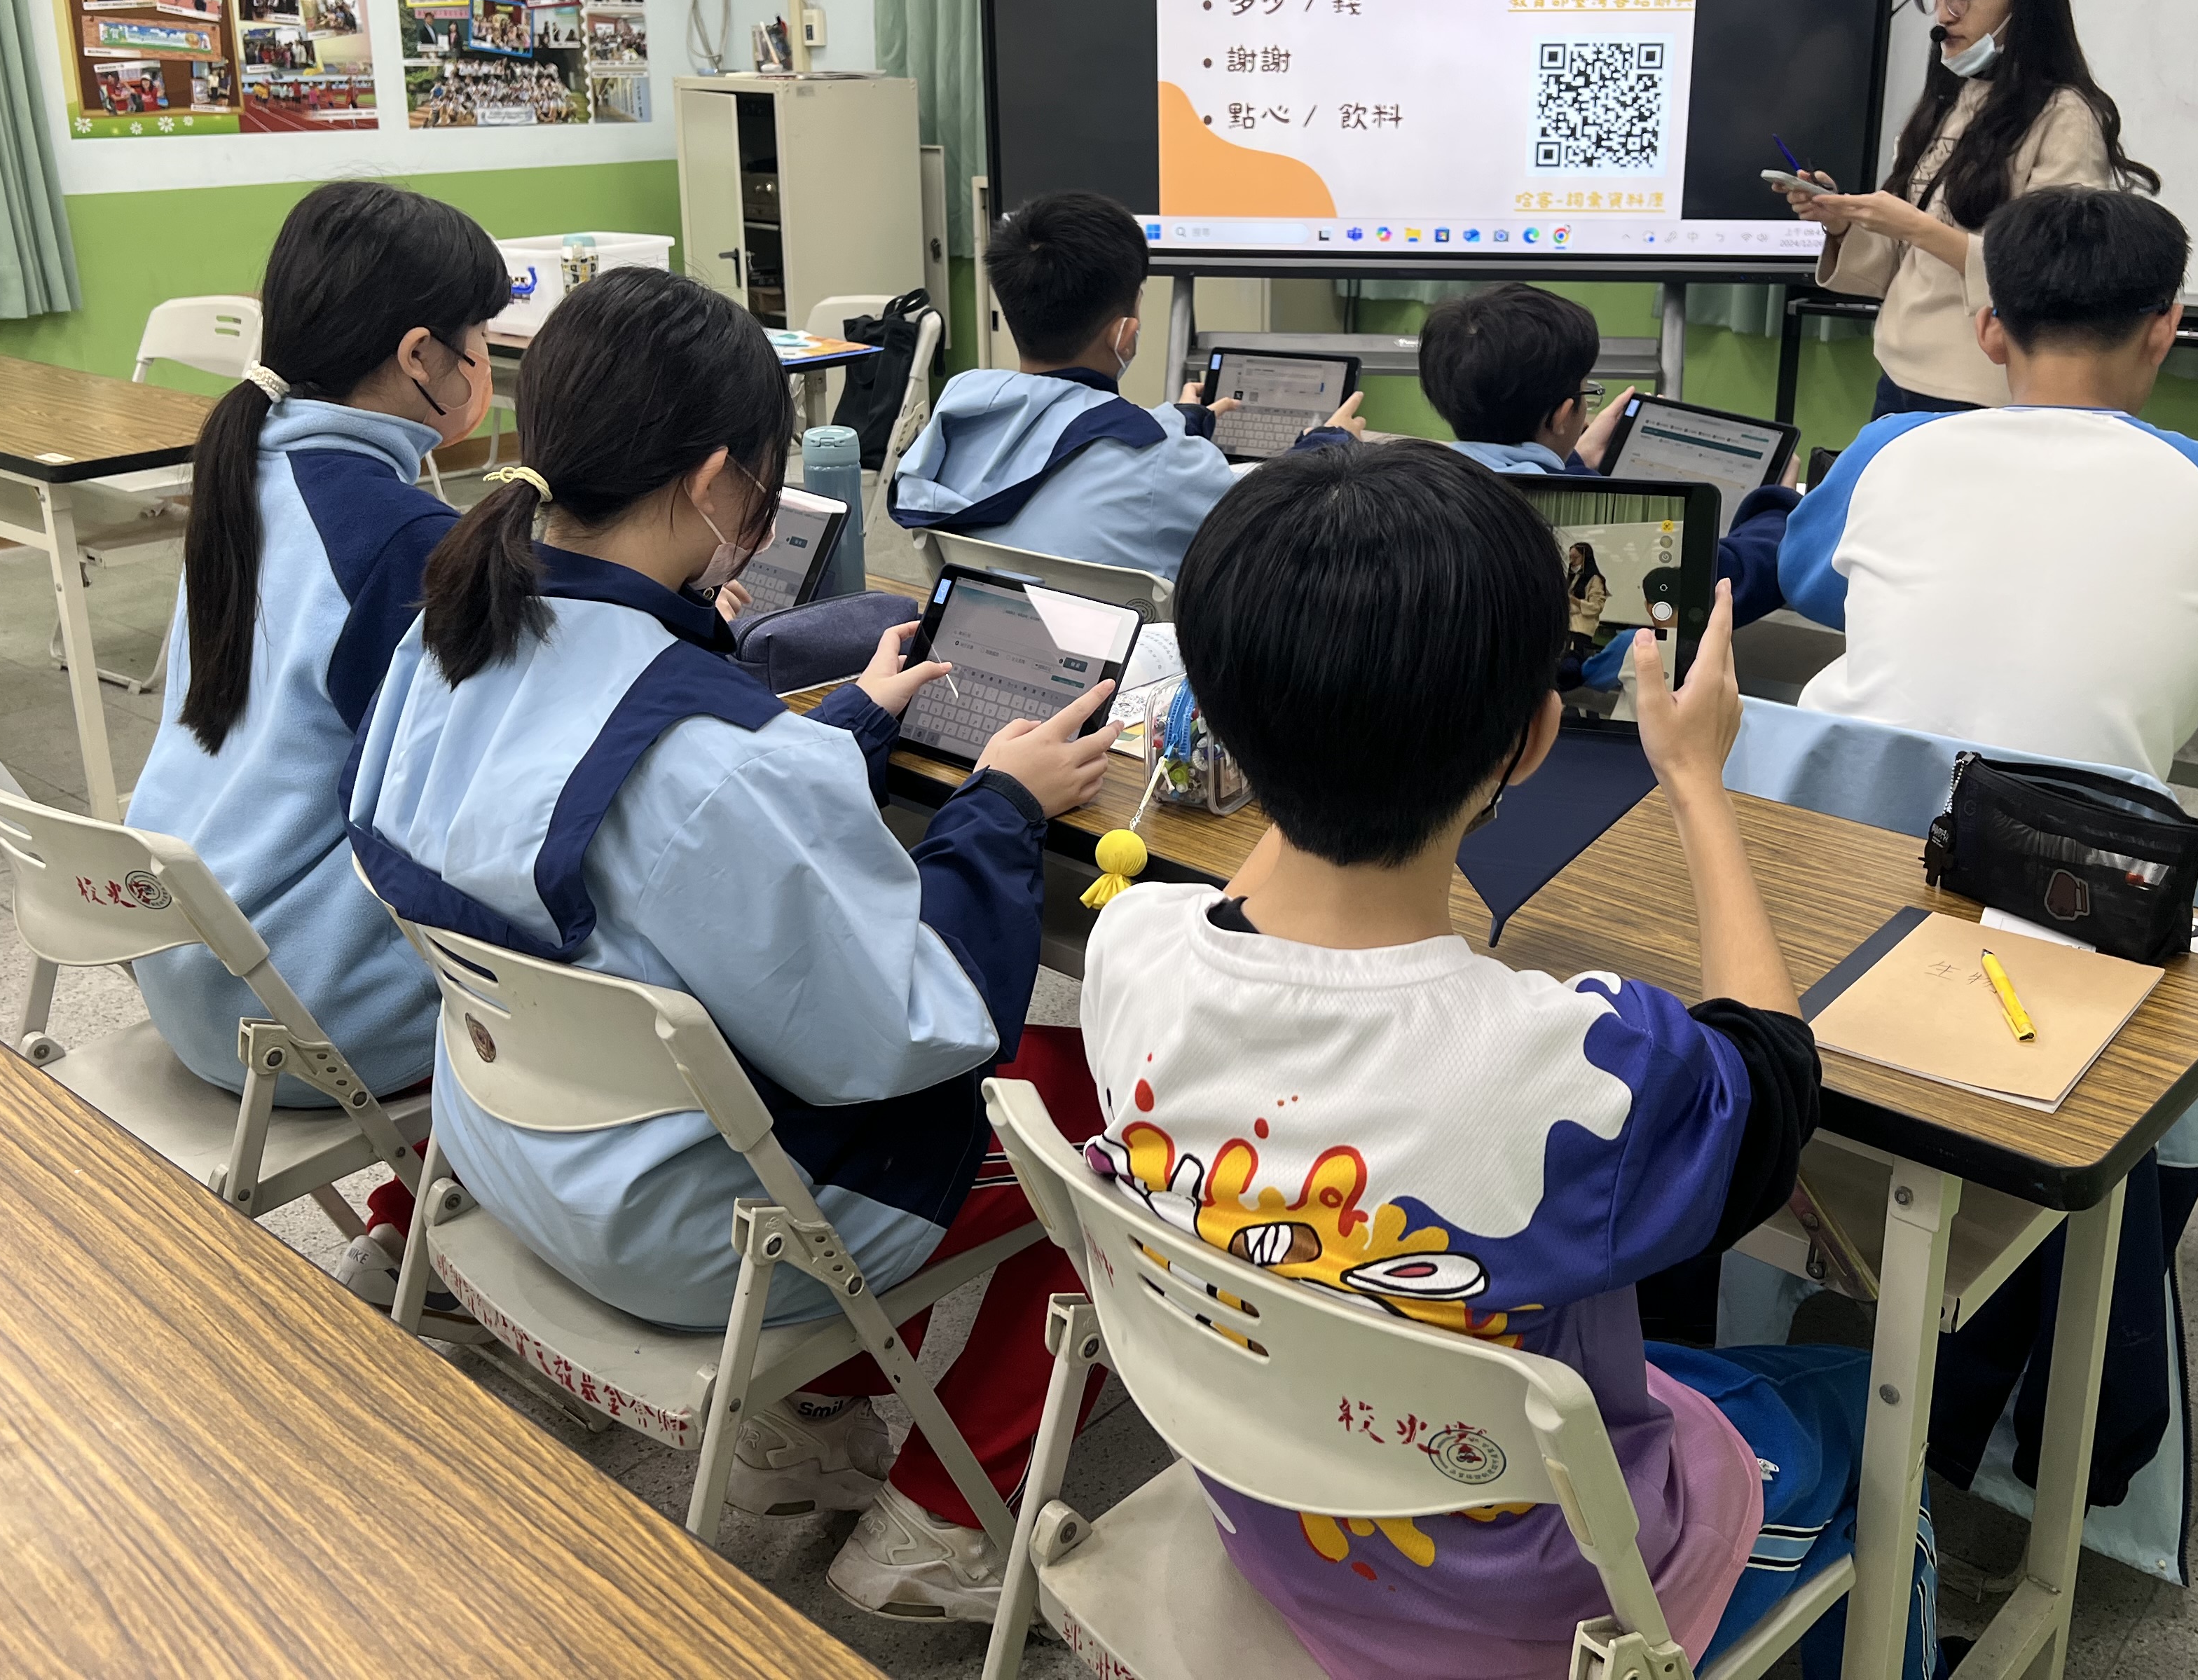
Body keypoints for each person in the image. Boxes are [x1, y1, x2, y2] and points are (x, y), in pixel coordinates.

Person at [1080, 443, 1936, 1680]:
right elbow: (1773, 1071)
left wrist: (1295, 726)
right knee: (1861, 1399)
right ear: (1534, 738)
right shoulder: (1583, 1068)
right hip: (1540, 1607)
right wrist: (1696, 780)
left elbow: (1268, 870)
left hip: (1267, 1517)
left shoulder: (1131, 946)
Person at [344, 266, 1121, 1624]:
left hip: (503, 1154)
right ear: (717, 481)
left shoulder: (444, 637)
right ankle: (940, 1526)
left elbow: (633, 822)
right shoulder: (722, 760)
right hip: (691, 1232)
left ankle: (803, 1426)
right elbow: (911, 1028)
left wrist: (841, 730)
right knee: (1102, 1119)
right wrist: (998, 807)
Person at [125, 181, 507, 1300]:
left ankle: (413, 1219)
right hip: (300, 1011)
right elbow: (492, 781)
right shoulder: (398, 534)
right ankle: (473, 1248)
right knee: (600, 924)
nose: (487, 363)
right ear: (422, 356)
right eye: (481, 339)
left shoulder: (244, 468)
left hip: (183, 959)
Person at [1781, 187, 2198, 778]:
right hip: (2053, 873)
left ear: (1989, 330)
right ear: (2164, 331)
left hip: (1816, 832)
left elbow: (1809, 583)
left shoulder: (1887, 448)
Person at [1785, 0, 2157, 418]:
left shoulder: (2066, 117)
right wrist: (1843, 222)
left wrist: (1915, 227)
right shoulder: (1949, 100)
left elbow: (2051, 275)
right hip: (1898, 376)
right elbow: (1903, 263)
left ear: (2025, 0)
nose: (1944, 15)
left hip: (1980, 394)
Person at [891, 191, 1361, 579]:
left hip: (979, 642)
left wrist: (1181, 420)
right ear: (1125, 334)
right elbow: (1275, 517)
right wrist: (1329, 444)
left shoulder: (961, 407)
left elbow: (1059, 435)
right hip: (1128, 663)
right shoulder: (1164, 465)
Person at [1417, 281, 1796, 624]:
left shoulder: (1413, 482)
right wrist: (1777, 506)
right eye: (1586, 392)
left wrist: (1573, 459)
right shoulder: (1591, 519)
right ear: (1564, 415)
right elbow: (1734, 579)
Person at [1564, 539, 1609, 647]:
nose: (1572, 561)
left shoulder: (1595, 580)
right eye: (1570, 558)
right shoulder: (1573, 578)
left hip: (1582, 631)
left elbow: (1596, 607)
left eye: (1576, 557)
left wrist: (1575, 601)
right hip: (1567, 628)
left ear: (1586, 558)